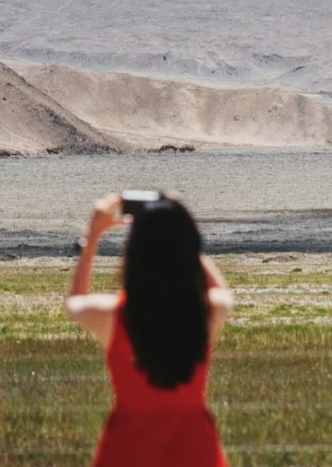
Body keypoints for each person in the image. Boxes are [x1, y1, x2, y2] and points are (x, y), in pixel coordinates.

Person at [65, 191, 233, 467]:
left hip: (127, 452)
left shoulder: (115, 316)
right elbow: (223, 293)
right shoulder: (204, 313)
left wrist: (92, 236)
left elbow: (75, 302)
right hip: (195, 451)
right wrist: (179, 233)